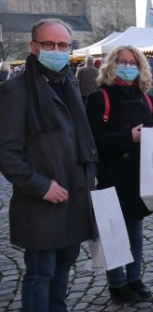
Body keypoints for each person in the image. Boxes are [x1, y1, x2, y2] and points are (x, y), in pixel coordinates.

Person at [0, 18, 98, 312]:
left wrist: (91, 172)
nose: (57, 50)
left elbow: (83, 134)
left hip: (75, 194)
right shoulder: (14, 90)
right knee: (40, 272)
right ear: (34, 47)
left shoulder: (70, 82)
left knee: (65, 265)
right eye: (49, 44)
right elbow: (7, 153)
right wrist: (42, 186)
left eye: (63, 45)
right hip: (42, 200)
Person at [85, 46, 153, 304]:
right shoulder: (99, 98)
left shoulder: (145, 98)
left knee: (135, 229)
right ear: (111, 65)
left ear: (140, 67)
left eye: (132, 62)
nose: (127, 66)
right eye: (122, 62)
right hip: (111, 175)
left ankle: (134, 277)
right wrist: (129, 137)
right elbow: (93, 140)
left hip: (139, 175)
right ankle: (117, 283)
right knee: (113, 229)